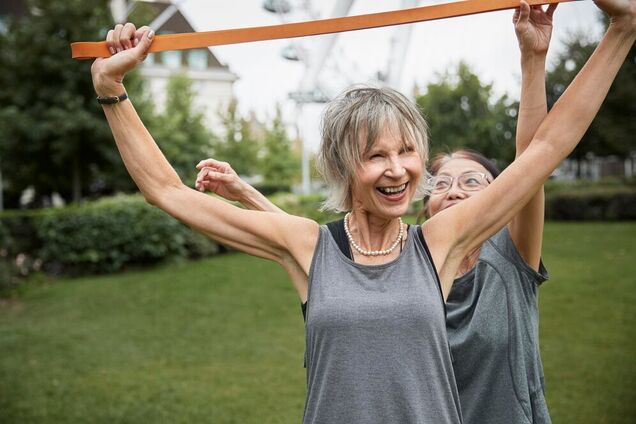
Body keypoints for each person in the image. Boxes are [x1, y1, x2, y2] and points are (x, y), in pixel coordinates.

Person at [90, 0, 635, 422]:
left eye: (406, 151)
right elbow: (169, 192)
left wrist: (621, 31)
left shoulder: (439, 241)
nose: (398, 169)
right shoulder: (308, 245)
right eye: (376, 155)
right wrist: (112, 88)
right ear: (343, 168)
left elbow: (544, 150)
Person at [195, 4, 557, 422]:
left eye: (473, 182)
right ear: (425, 204)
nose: (455, 191)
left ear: (502, 200)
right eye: (442, 183)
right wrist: (247, 195)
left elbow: (537, 156)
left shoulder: (508, 262)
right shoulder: (420, 267)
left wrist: (534, 60)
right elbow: (326, 258)